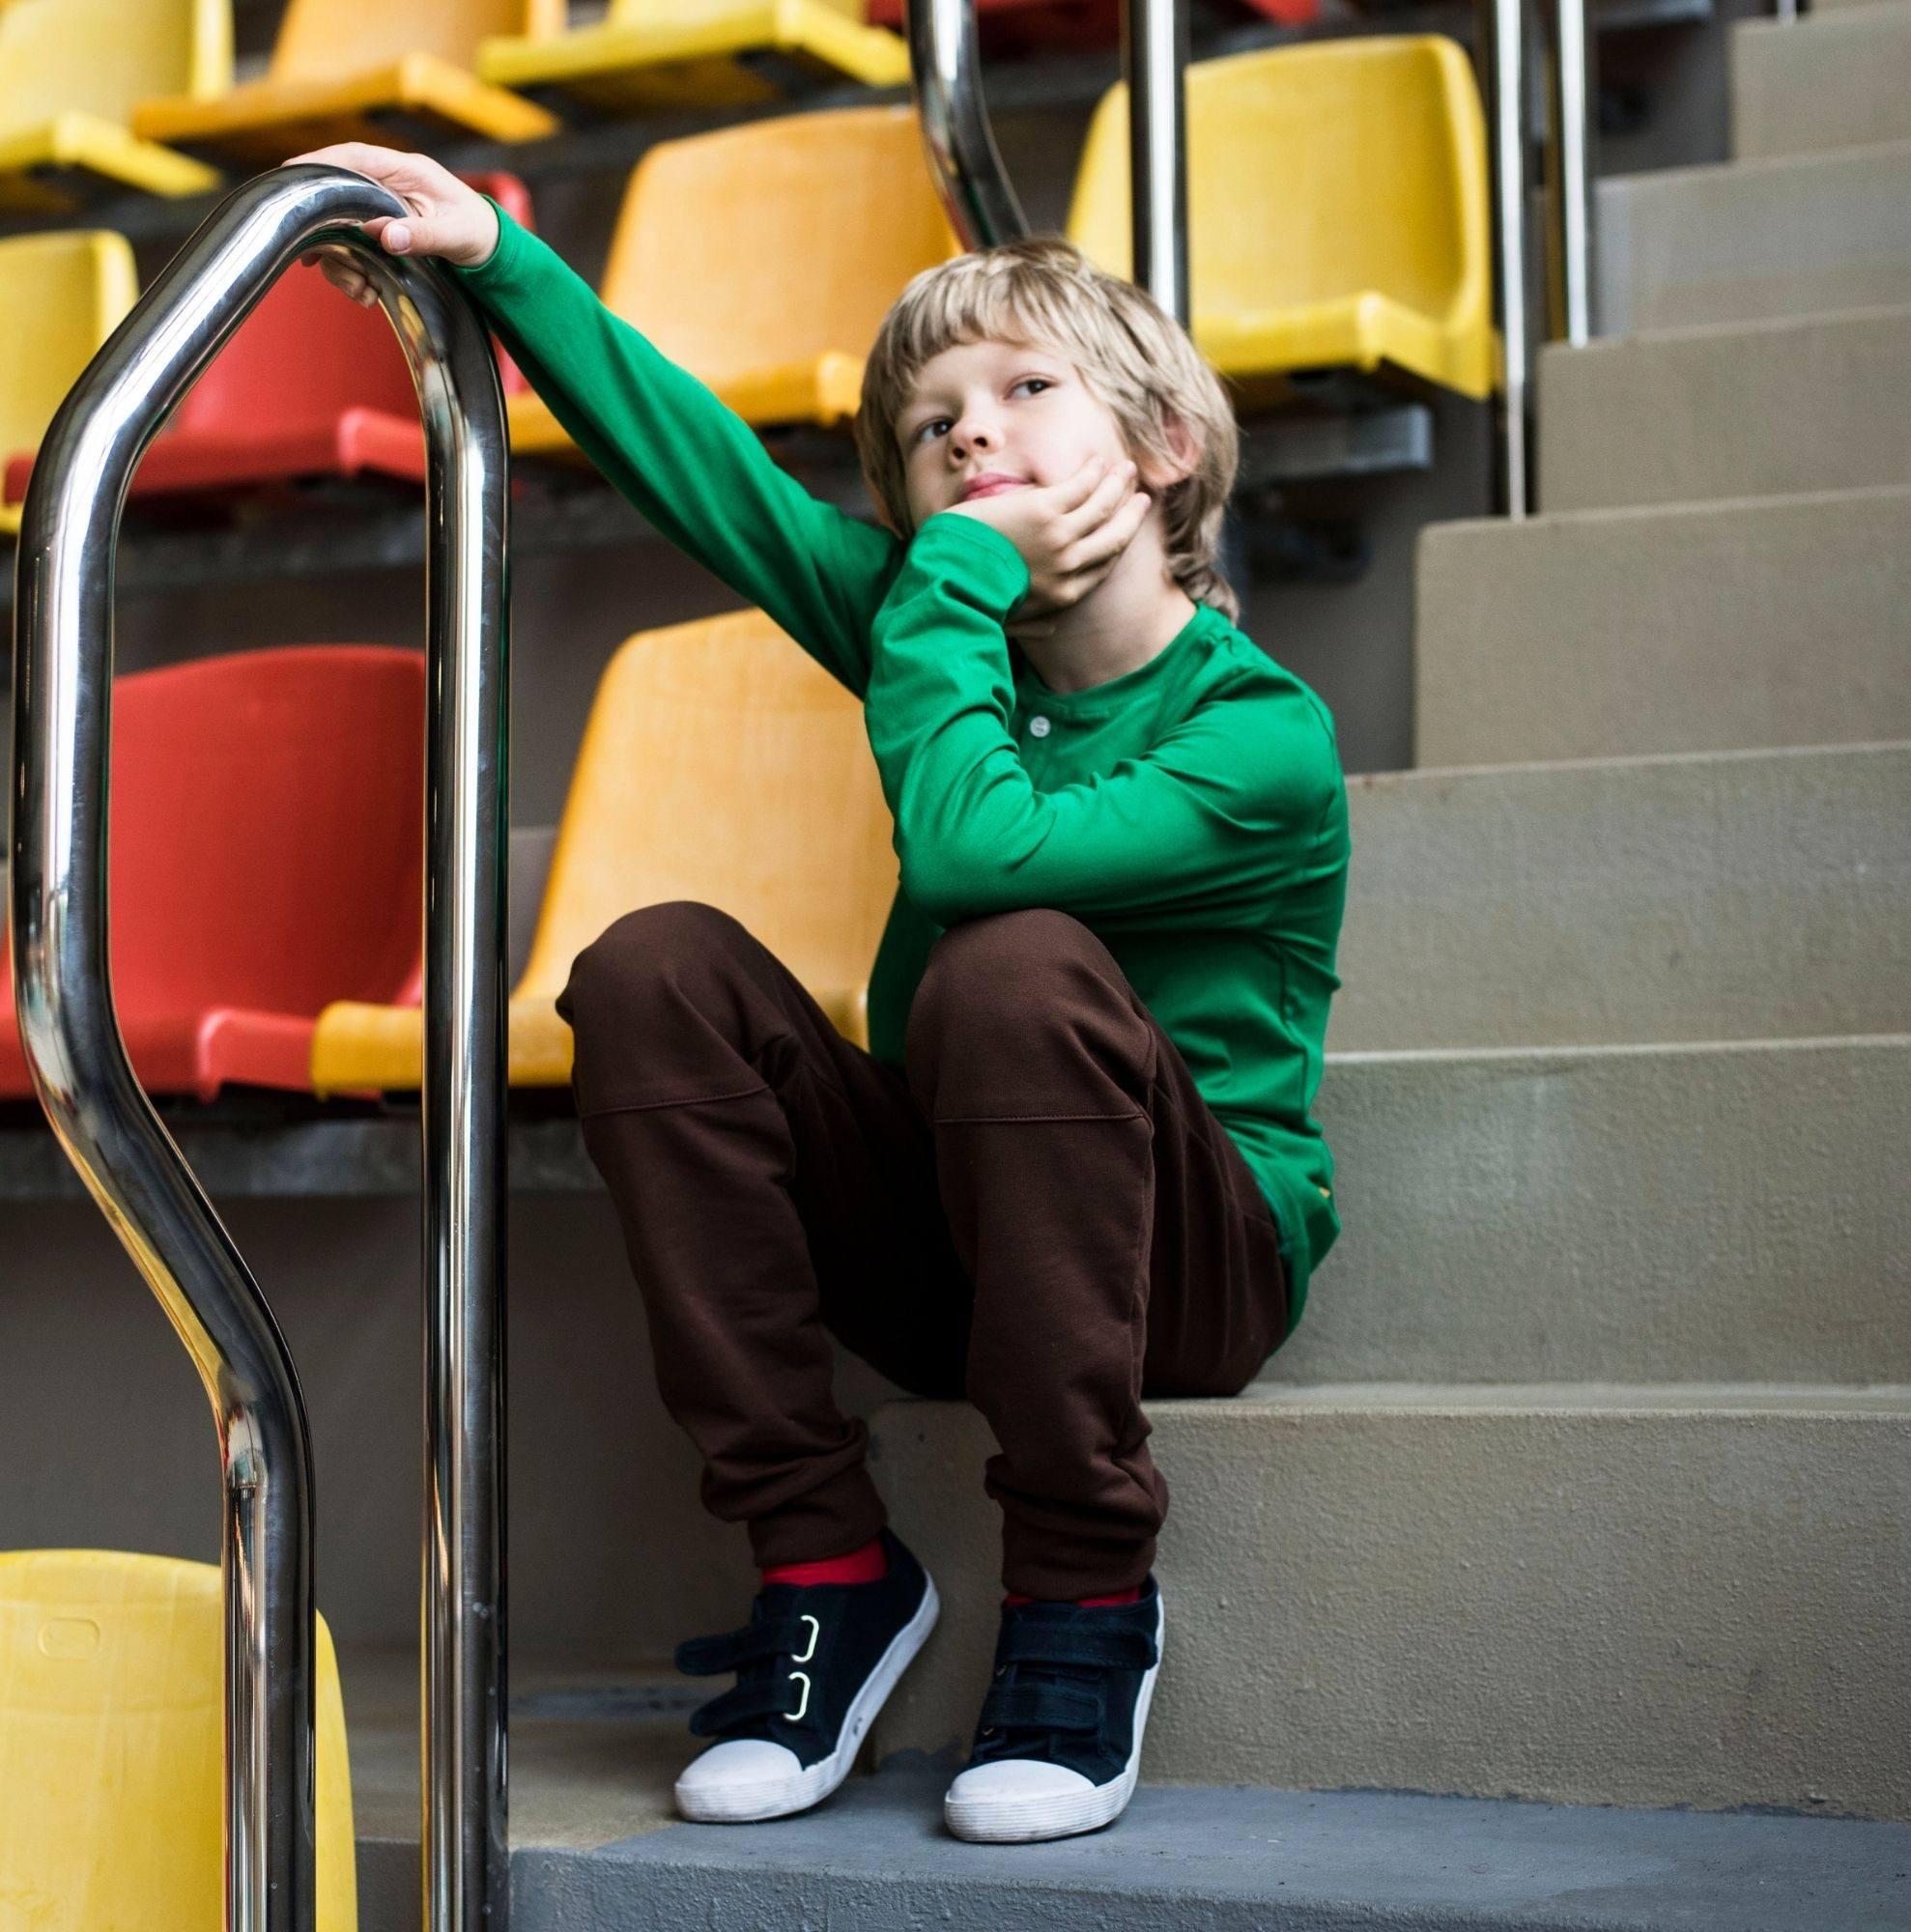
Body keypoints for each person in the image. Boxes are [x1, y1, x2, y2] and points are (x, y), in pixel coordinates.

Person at [293, 142, 1348, 1845]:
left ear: (1164, 449)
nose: (970, 435)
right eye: (931, 431)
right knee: (648, 972)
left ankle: (1084, 1590)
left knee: (1009, 971)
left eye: (1020, 388)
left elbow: (975, 855)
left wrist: (945, 583)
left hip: (1186, 1269)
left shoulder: (1263, 738)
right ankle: (830, 1564)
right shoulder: (941, 623)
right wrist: (501, 258)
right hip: (959, 1240)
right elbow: (709, 477)